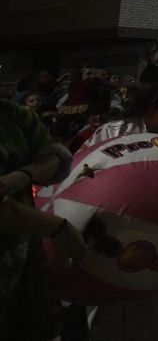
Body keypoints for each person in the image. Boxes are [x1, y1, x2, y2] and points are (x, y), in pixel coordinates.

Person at [82, 75, 158, 340]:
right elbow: (85, 172)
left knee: (153, 307)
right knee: (106, 310)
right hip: (114, 228)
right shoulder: (114, 131)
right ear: (154, 96)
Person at [0, 99, 79, 340]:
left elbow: (56, 156)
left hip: (23, 255)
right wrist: (57, 228)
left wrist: (21, 176)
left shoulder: (12, 114)